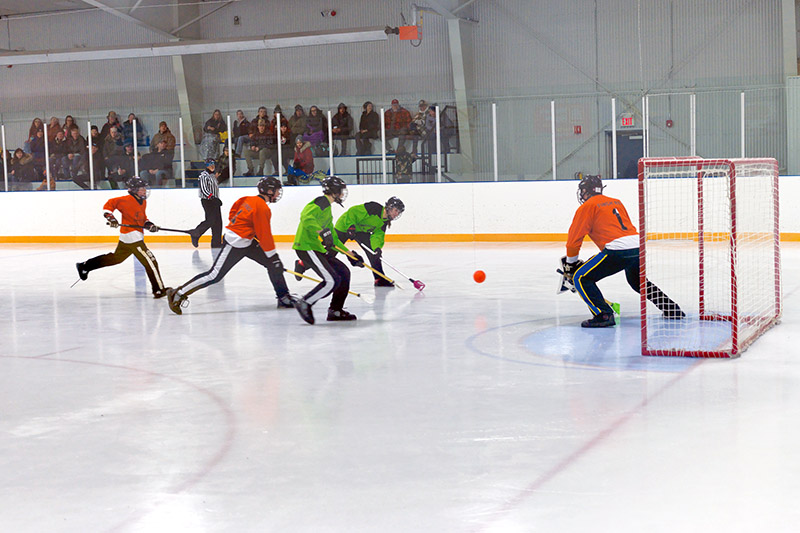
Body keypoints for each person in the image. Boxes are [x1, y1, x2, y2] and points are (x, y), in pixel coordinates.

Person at [562, 174, 685, 328]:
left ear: (586, 191)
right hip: (637, 246)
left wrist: (570, 265)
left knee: (580, 278)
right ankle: (671, 309)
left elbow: (574, 241)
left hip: (617, 250)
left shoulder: (586, 207)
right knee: (638, 282)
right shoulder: (616, 202)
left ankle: (603, 314)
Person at [167, 177, 295, 315]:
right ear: (269, 191)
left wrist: (272, 258)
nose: (278, 194)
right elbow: (265, 235)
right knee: (214, 275)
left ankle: (283, 297)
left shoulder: (247, 199)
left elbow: (233, 213)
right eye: (276, 191)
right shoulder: (262, 208)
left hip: (247, 240)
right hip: (235, 242)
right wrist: (273, 256)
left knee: (272, 264)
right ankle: (178, 293)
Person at [75, 177, 168, 299]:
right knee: (151, 262)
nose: (145, 190)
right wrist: (111, 218)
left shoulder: (143, 201)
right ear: (134, 190)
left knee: (115, 258)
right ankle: (159, 290)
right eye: (142, 188)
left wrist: (150, 225)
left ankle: (85, 266)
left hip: (129, 236)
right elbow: (108, 206)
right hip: (132, 237)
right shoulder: (125, 200)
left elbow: (142, 219)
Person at [292, 176, 365, 324]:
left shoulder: (328, 210)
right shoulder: (321, 202)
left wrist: (349, 254)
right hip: (306, 248)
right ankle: (305, 302)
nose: (342, 194)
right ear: (334, 191)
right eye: (341, 191)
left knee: (343, 273)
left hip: (317, 249)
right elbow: (306, 217)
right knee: (331, 281)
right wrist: (321, 232)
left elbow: (334, 239)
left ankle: (335, 311)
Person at [330, 196, 405, 287]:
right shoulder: (373, 208)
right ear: (389, 207)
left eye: (399, 212)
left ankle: (379, 279)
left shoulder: (384, 222)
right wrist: (351, 226)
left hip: (360, 231)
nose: (397, 214)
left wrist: (377, 248)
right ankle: (314, 265)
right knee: (332, 250)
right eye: (396, 210)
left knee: (374, 254)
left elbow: (377, 236)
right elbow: (353, 212)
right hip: (345, 226)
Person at [189, 158, 223, 249]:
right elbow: (204, 189)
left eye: (213, 164)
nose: (212, 166)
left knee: (218, 222)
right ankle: (196, 233)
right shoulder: (203, 175)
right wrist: (212, 197)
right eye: (210, 164)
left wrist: (216, 199)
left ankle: (216, 242)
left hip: (214, 201)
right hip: (208, 201)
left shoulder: (212, 176)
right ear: (206, 165)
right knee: (210, 220)